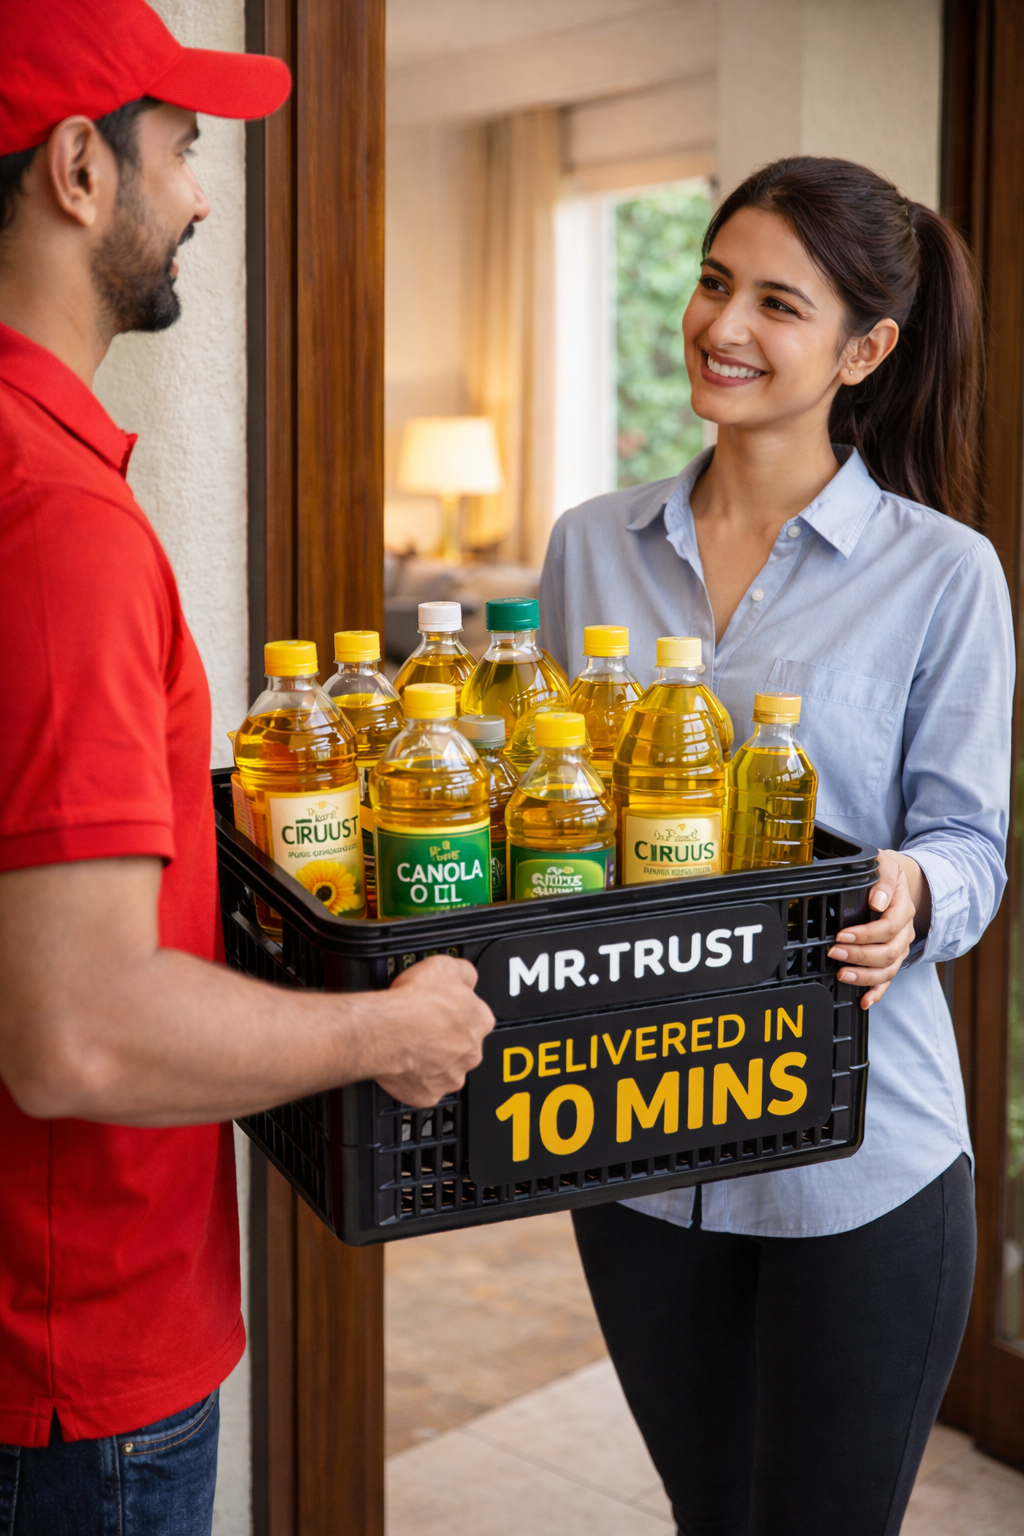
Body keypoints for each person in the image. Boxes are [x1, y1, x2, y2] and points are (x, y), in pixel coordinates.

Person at [0, 3, 493, 1530]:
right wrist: (384, 1035)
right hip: (77, 1373)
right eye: (185, 150)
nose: (203, 195)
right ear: (83, 168)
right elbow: (74, 1038)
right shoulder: (58, 527)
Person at [539, 157, 1011, 1536]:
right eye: (710, 281)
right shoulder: (589, 549)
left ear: (865, 351)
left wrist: (917, 888)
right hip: (635, 1147)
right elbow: (560, 819)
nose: (721, 325)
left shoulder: (944, 572)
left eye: (776, 304)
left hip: (862, 1171)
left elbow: (973, 842)